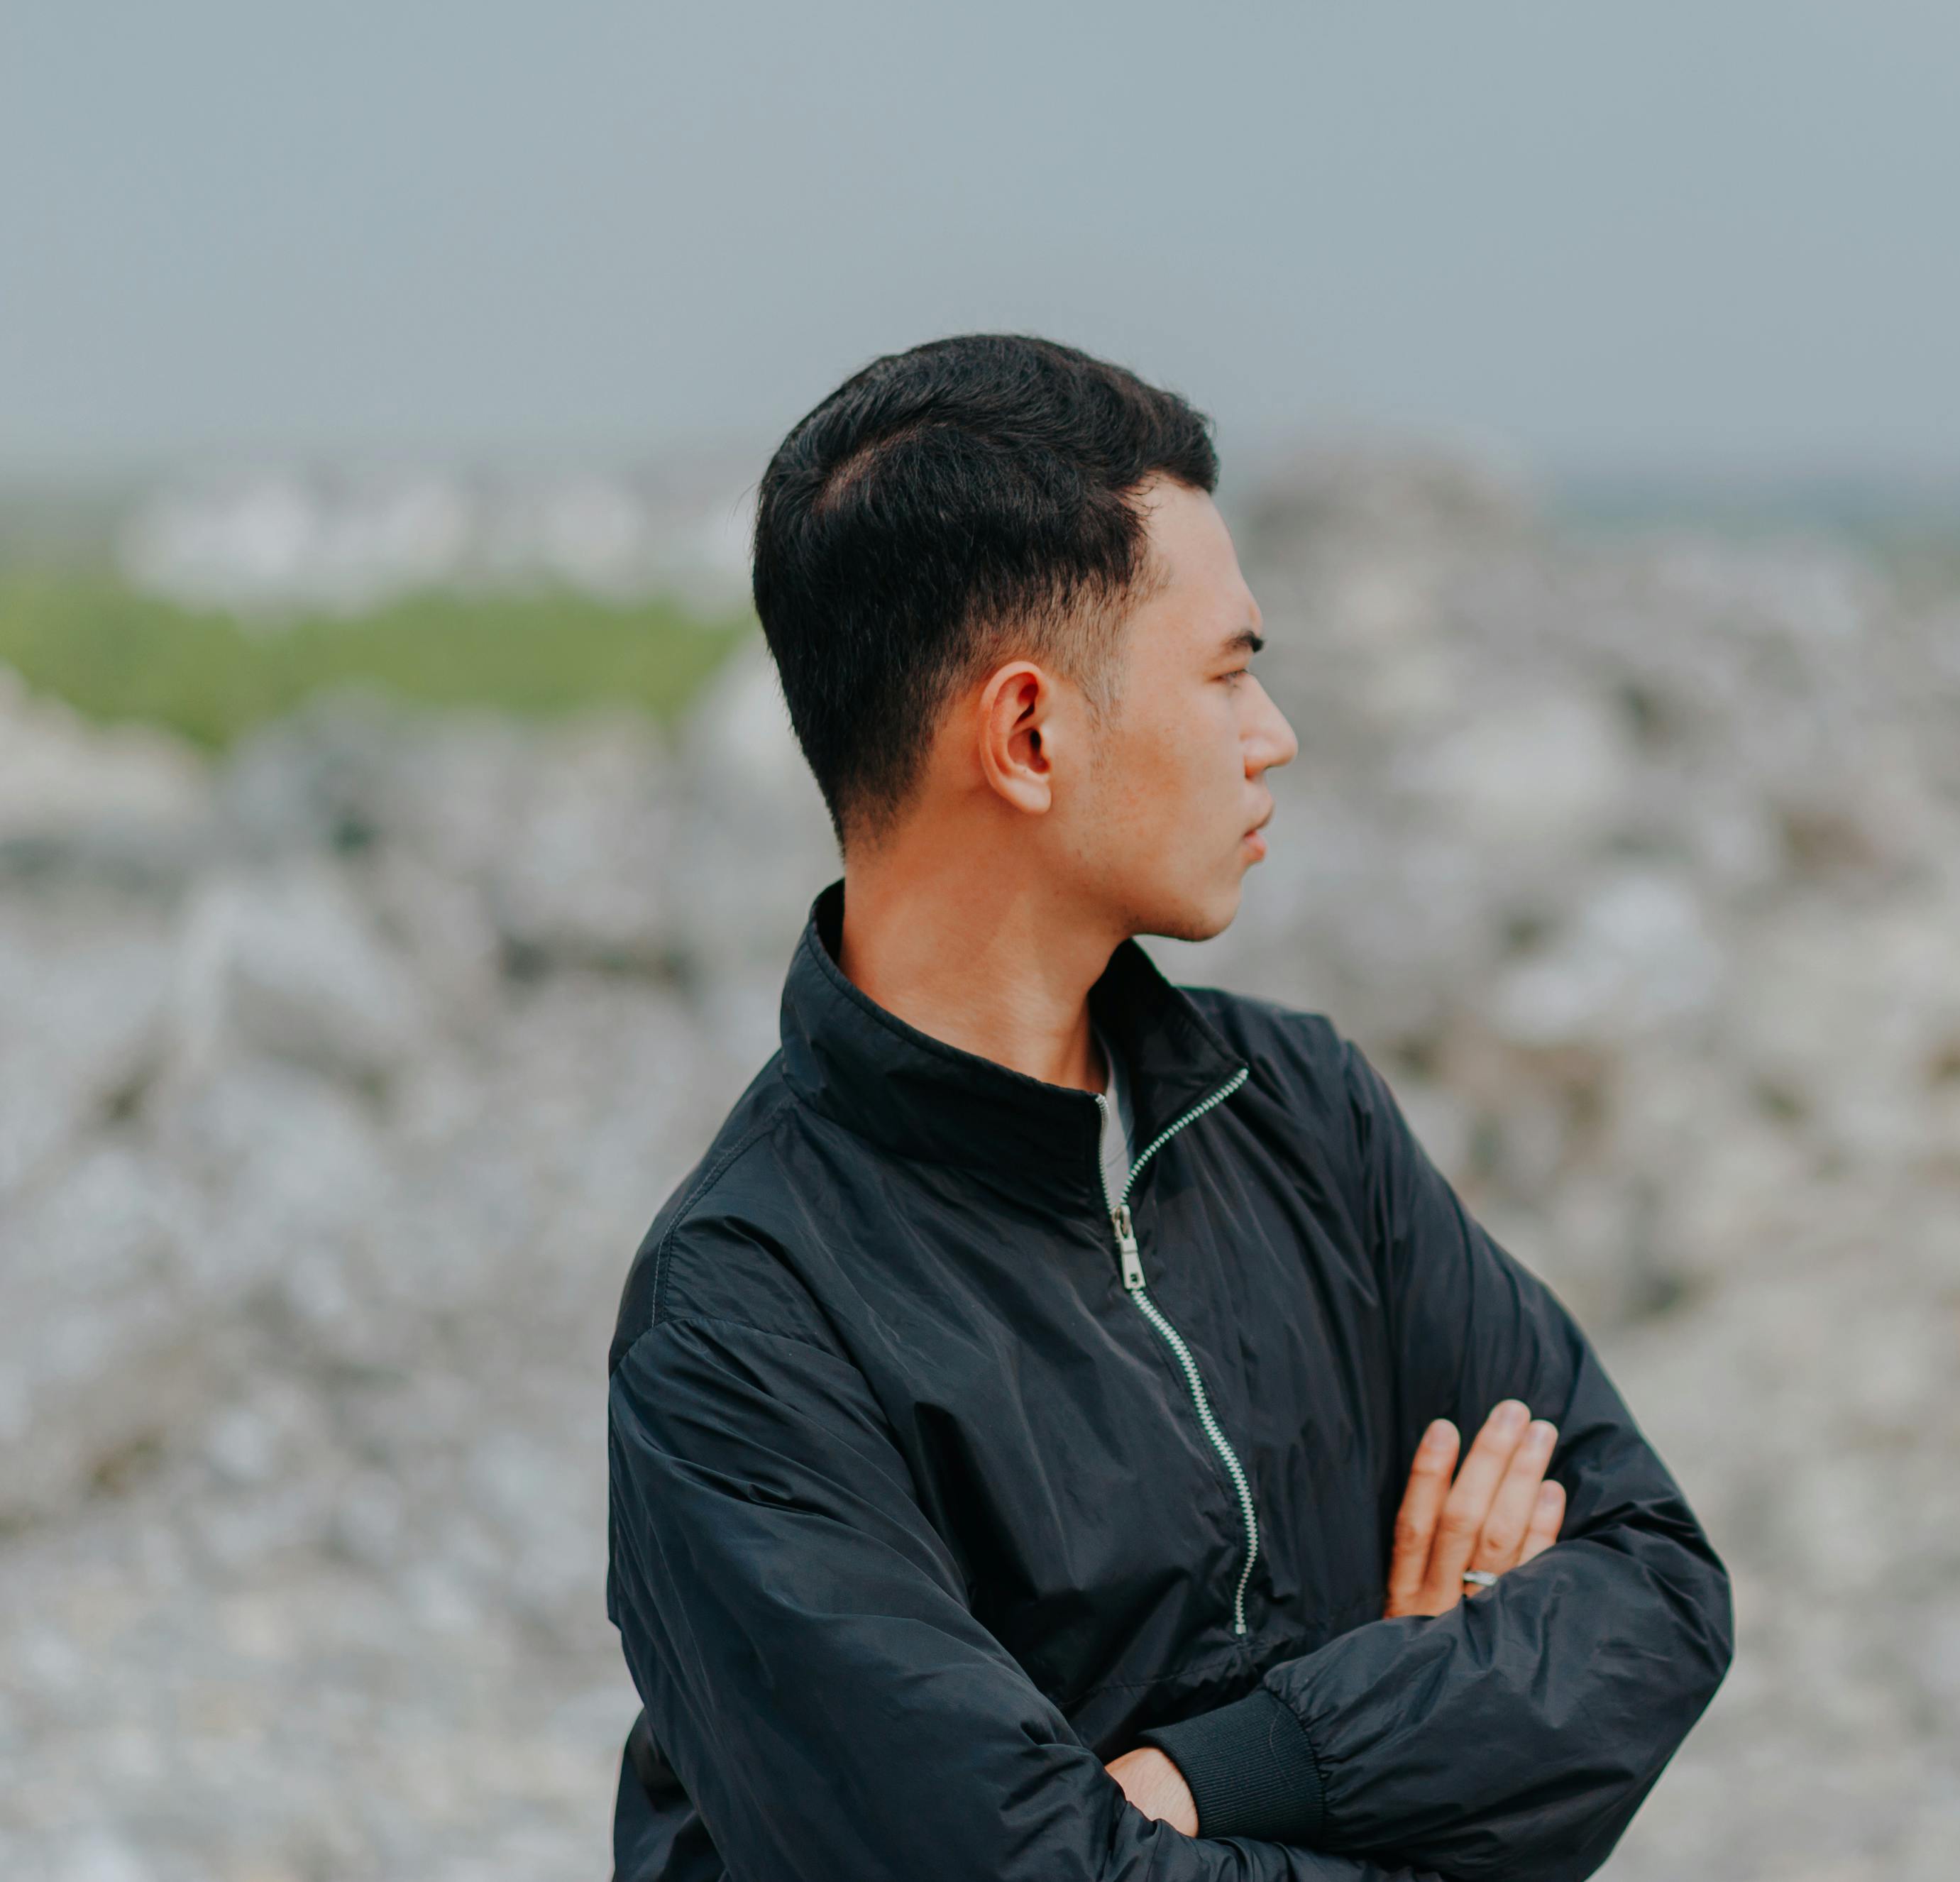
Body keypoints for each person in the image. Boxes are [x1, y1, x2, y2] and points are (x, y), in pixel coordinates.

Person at [604, 335, 1731, 1881]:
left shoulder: (1304, 1111)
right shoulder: (742, 1321)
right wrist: (1424, 1726)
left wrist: (1227, 1771)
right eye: (1226, 672)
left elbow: (1651, 1593)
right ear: (1027, 735)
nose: (1272, 737)